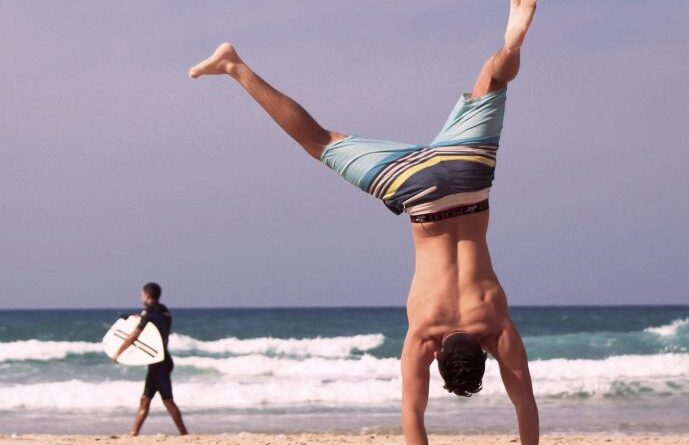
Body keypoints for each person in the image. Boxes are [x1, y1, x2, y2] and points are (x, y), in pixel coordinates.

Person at [188, 1, 539, 443]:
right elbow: (413, 415)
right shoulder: (424, 335)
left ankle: (511, 46)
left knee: (492, 79)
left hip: (468, 177)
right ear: (436, 356)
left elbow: (526, 405)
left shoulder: (496, 325)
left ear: (485, 352)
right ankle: (234, 66)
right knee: (320, 141)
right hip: (417, 193)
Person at [112, 282, 188, 436]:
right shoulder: (165, 311)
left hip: (159, 364)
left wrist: (118, 353)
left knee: (168, 400)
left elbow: (134, 335)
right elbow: (153, 322)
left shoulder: (149, 313)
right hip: (162, 360)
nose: (141, 297)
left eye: (142, 294)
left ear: (147, 295)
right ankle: (133, 433)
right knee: (145, 399)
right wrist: (133, 317)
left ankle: (185, 434)